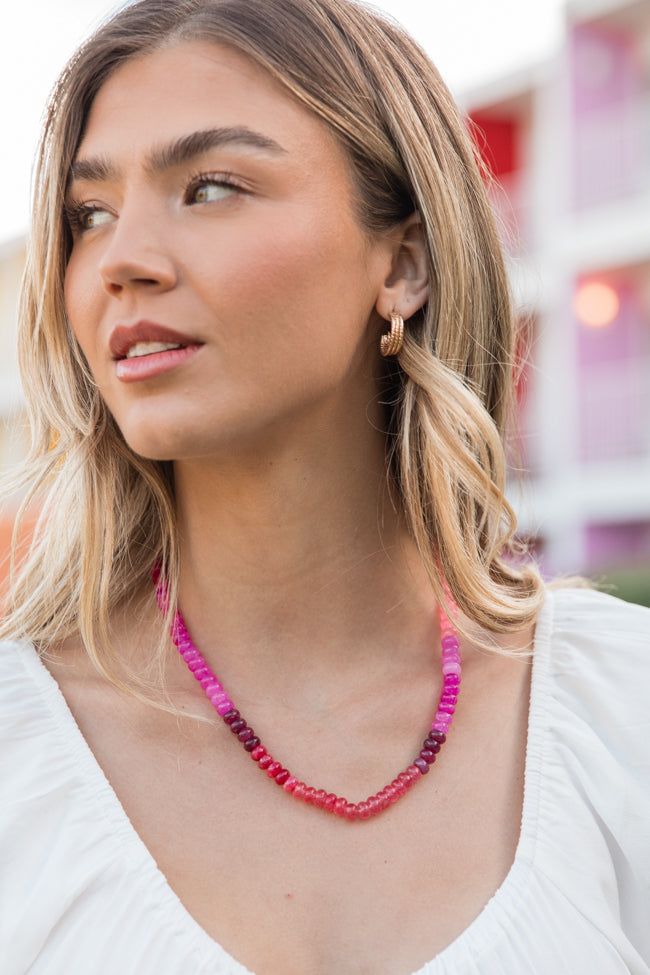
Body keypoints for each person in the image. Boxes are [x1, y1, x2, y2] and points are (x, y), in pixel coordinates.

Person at [0, 0, 648, 972]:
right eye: (87, 215)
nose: (120, 263)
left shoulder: (619, 712)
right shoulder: (20, 755)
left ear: (403, 262)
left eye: (211, 187)